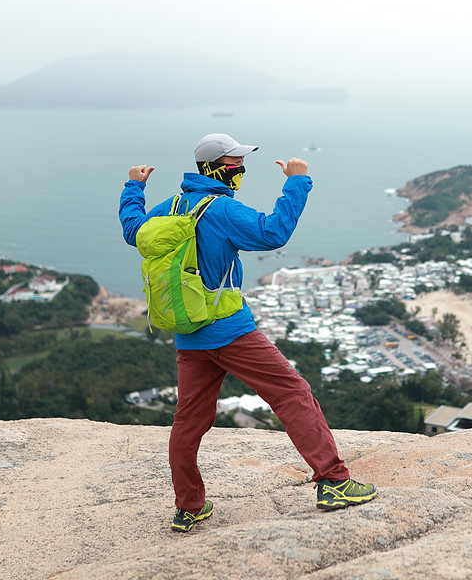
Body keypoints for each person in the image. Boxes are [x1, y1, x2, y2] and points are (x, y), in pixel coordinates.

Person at [119, 132, 377, 532]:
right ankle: (334, 482)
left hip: (190, 335)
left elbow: (133, 229)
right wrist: (297, 181)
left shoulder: (169, 207)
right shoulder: (220, 210)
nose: (241, 169)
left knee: (188, 422)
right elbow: (273, 233)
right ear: (217, 168)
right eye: (235, 163)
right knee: (292, 393)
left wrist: (134, 186)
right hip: (232, 332)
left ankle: (189, 507)